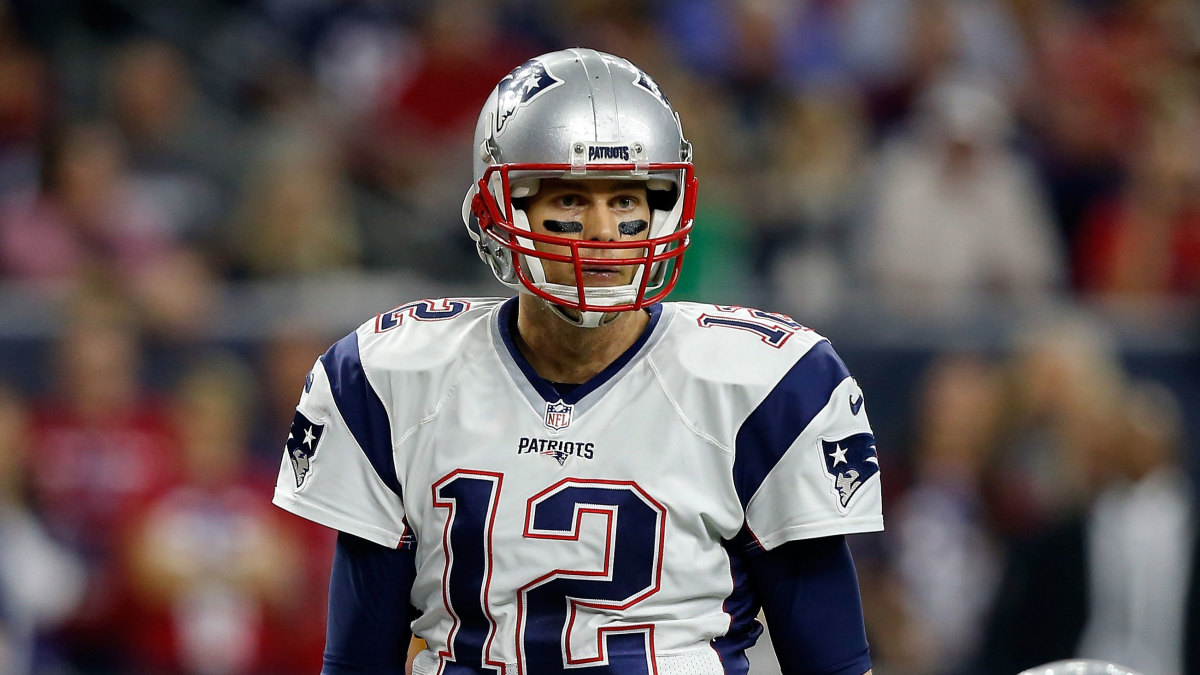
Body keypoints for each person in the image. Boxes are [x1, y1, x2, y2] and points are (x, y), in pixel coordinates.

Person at [272, 48, 883, 675]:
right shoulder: (391, 377)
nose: (602, 230)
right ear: (499, 209)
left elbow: (832, 662)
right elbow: (357, 661)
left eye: (626, 200)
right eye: (569, 198)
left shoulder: (769, 386)